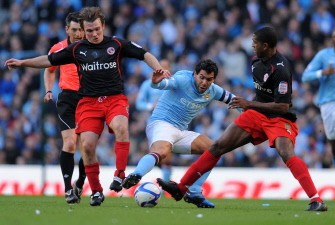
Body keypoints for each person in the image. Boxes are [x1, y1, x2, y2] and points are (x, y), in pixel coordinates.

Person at [5, 6, 170, 206]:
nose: (93, 34)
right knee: (87, 146)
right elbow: (48, 61)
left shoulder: (117, 44)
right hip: (88, 103)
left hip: (114, 99)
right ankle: (96, 191)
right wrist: (23, 63)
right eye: (89, 30)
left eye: (97, 30)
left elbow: (144, 54)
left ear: (103, 26)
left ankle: (119, 175)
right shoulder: (76, 49)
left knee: (121, 128)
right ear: (83, 29)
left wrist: (158, 68)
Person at [157, 26, 328, 212]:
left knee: (285, 153)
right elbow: (262, 96)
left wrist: (249, 104)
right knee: (217, 146)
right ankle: (181, 189)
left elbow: (283, 106)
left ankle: (316, 200)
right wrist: (247, 108)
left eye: (255, 43)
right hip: (256, 114)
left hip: (279, 118)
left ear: (266, 45)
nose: (252, 46)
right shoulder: (256, 62)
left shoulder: (281, 70)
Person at [123, 59, 239, 208]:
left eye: (209, 79)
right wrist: (156, 83)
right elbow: (164, 84)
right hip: (161, 124)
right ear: (194, 74)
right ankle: (136, 174)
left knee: (214, 149)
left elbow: (236, 101)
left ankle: (195, 192)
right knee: (162, 152)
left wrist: (252, 111)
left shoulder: (214, 90)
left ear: (214, 79)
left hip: (180, 132)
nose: (204, 82)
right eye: (201, 77)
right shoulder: (182, 79)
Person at [43, 11, 87, 204]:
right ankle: (68, 189)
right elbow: (49, 69)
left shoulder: (92, 48)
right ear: (67, 29)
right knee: (69, 143)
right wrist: (48, 90)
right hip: (67, 98)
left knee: (88, 147)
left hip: (89, 99)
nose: (78, 34)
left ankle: (81, 181)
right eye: (75, 30)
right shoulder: (59, 48)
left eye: (81, 30)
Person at [135, 59, 173, 183]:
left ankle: (164, 185)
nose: (164, 70)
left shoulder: (173, 84)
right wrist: (151, 106)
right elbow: (139, 103)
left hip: (171, 121)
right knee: (154, 153)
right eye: (161, 67)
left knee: (166, 155)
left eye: (166, 67)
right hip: (153, 122)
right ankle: (142, 178)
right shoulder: (147, 84)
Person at [302, 29, 335, 167]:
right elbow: (305, 76)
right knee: (332, 137)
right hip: (329, 102)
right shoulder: (324, 55)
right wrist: (323, 72)